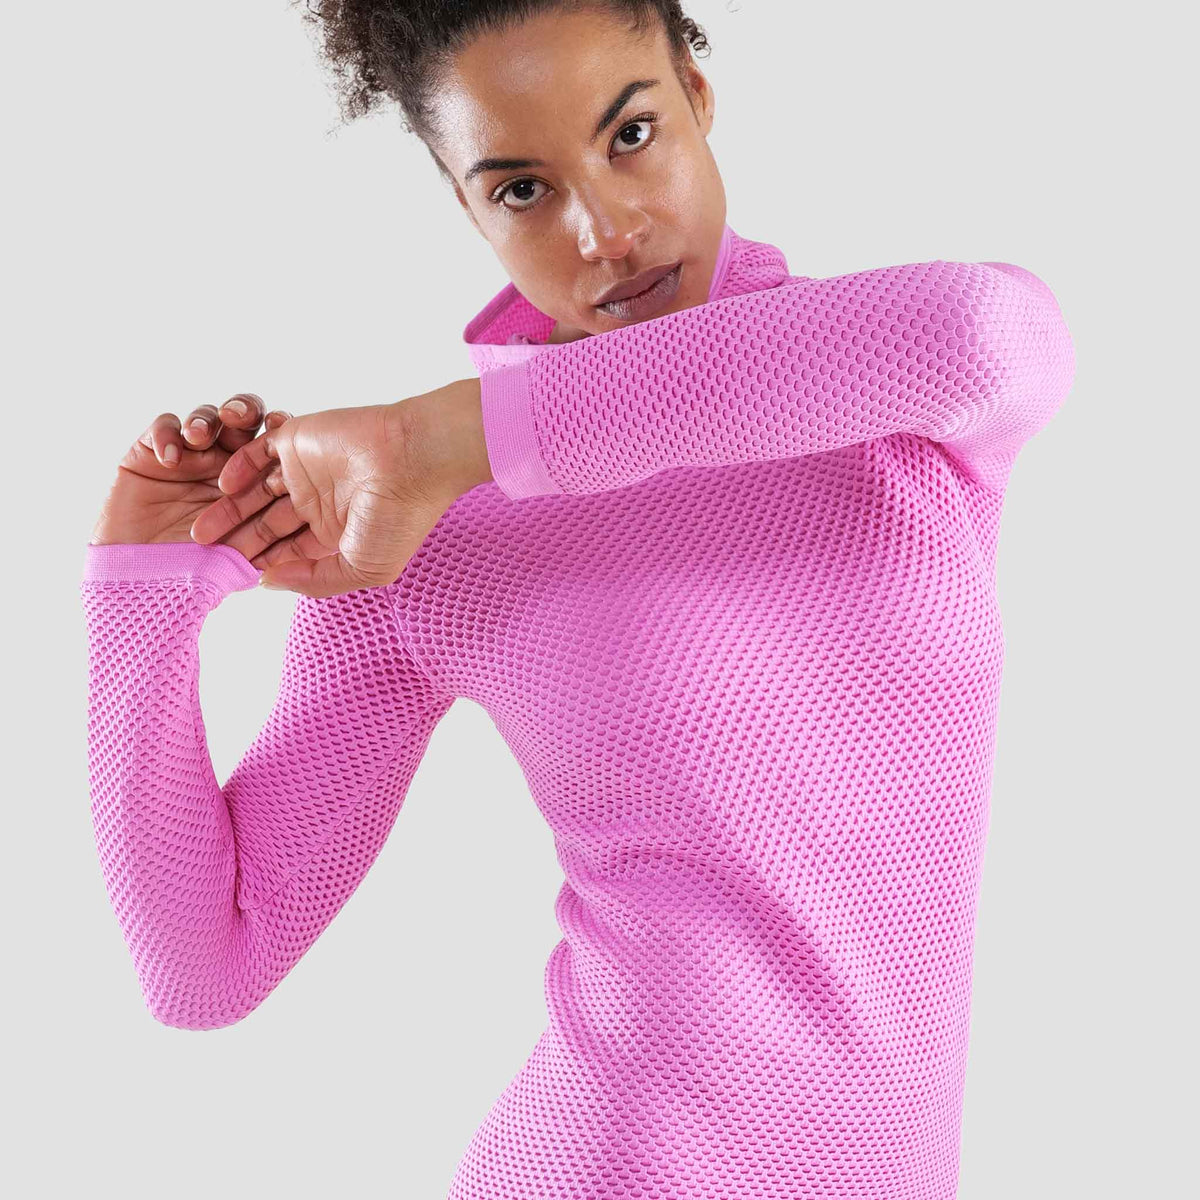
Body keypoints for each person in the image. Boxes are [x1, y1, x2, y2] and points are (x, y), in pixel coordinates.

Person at [79, 2, 1076, 1197]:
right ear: (465, 207)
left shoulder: (884, 390)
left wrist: (442, 435)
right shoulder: (419, 527)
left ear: (698, 95)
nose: (605, 231)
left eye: (632, 134)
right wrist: (143, 596)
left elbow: (989, 333)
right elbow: (207, 968)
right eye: (521, 190)